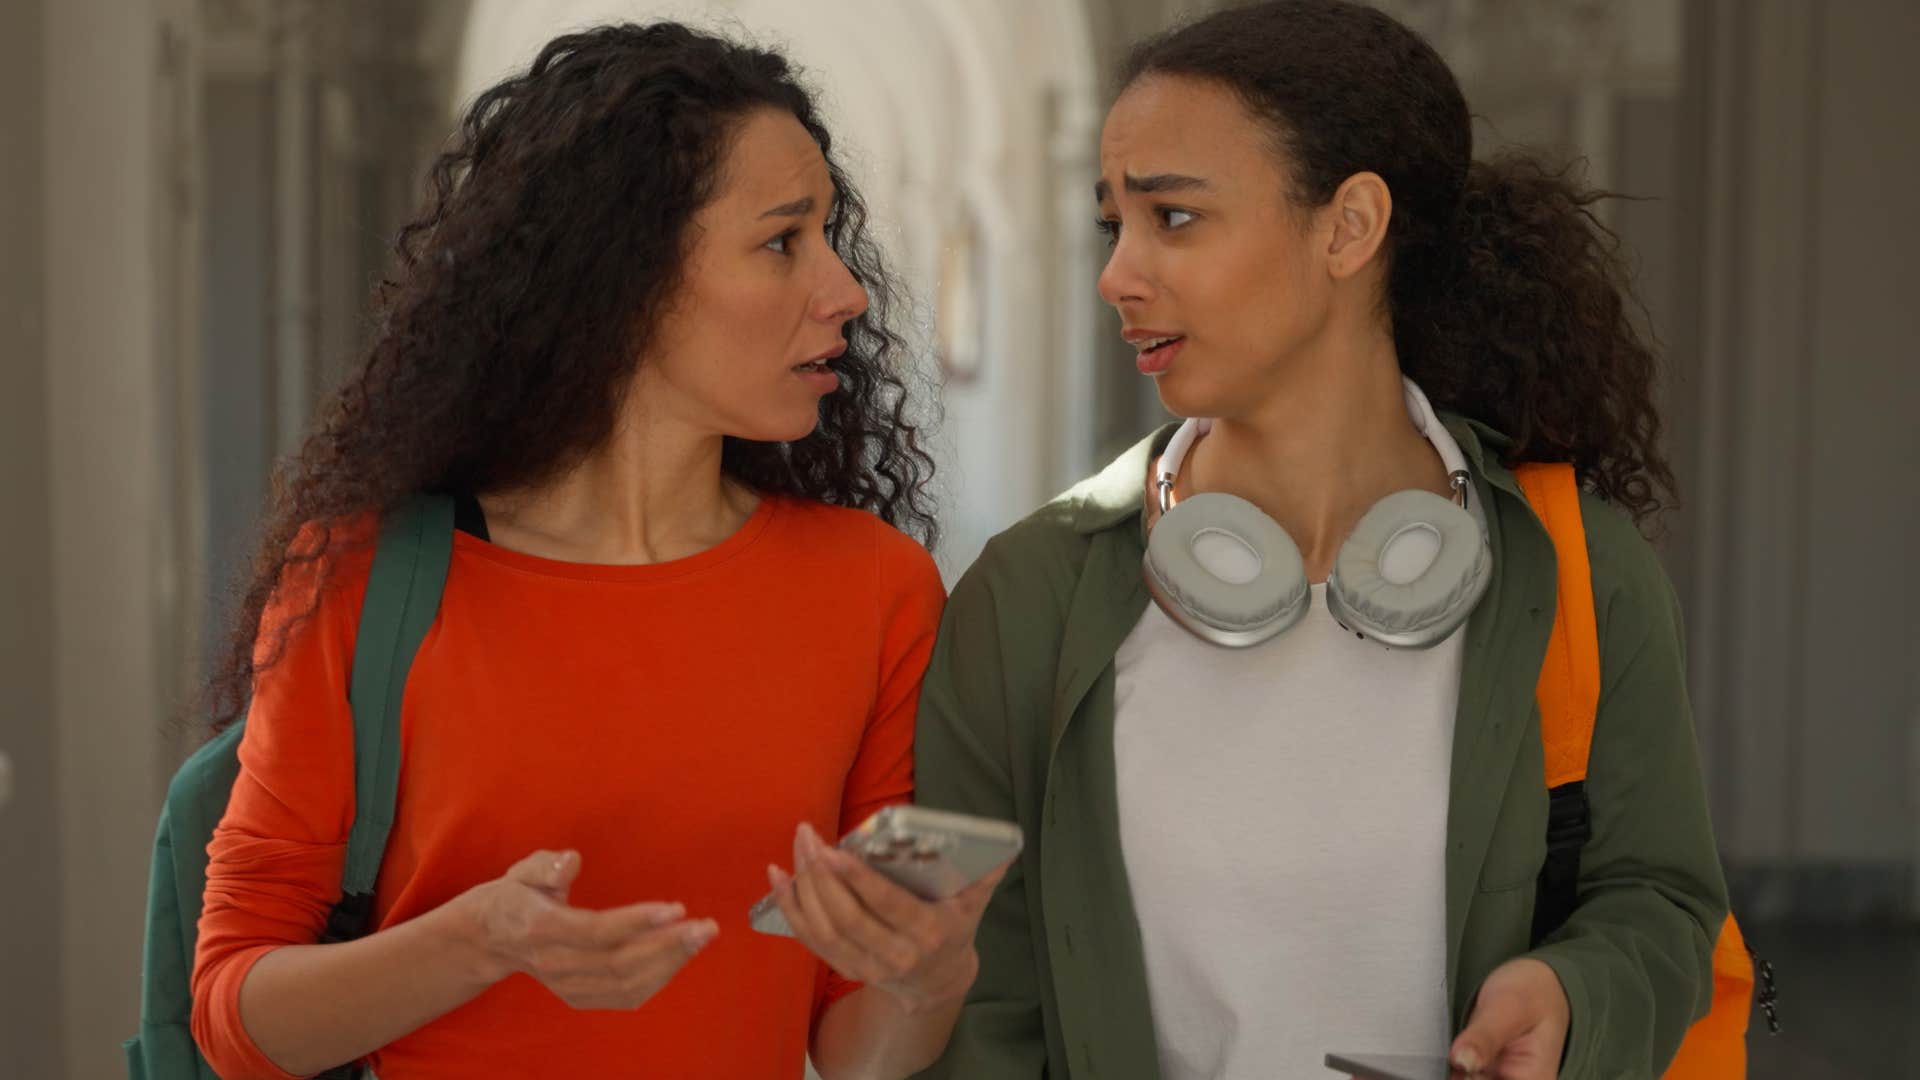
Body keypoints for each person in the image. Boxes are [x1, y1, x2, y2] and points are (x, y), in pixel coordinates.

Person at [912, 2, 1729, 1078]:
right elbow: (984, 1000)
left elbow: (1661, 899)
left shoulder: (1575, 568)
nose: (1119, 273)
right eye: (1116, 223)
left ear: (1349, 227)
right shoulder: (1030, 594)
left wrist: (1573, 992)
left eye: (1176, 218)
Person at [191, 23, 1005, 1080]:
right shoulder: (362, 577)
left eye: (829, 236)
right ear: (622, 277)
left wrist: (926, 972)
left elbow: (854, 1058)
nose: (845, 291)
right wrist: (477, 942)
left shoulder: (875, 588)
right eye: (782, 240)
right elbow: (232, 1017)